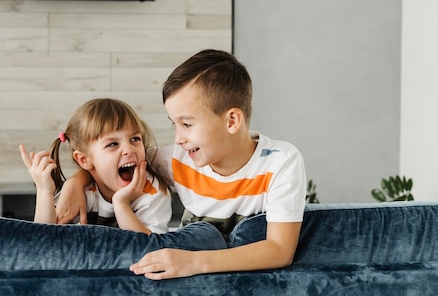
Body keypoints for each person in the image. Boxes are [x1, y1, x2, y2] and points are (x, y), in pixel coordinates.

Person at [55, 49, 307, 279]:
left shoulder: (280, 162)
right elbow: (115, 163)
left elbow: (279, 250)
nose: (178, 139)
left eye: (186, 124)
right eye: (173, 124)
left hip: (203, 268)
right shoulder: (179, 158)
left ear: (231, 121)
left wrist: (194, 263)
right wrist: (75, 183)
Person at [20, 98, 173, 235]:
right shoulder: (82, 191)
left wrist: (121, 203)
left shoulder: (153, 191)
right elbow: (42, 241)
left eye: (135, 139)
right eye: (113, 144)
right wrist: (44, 191)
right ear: (84, 160)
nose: (129, 149)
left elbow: (150, 250)